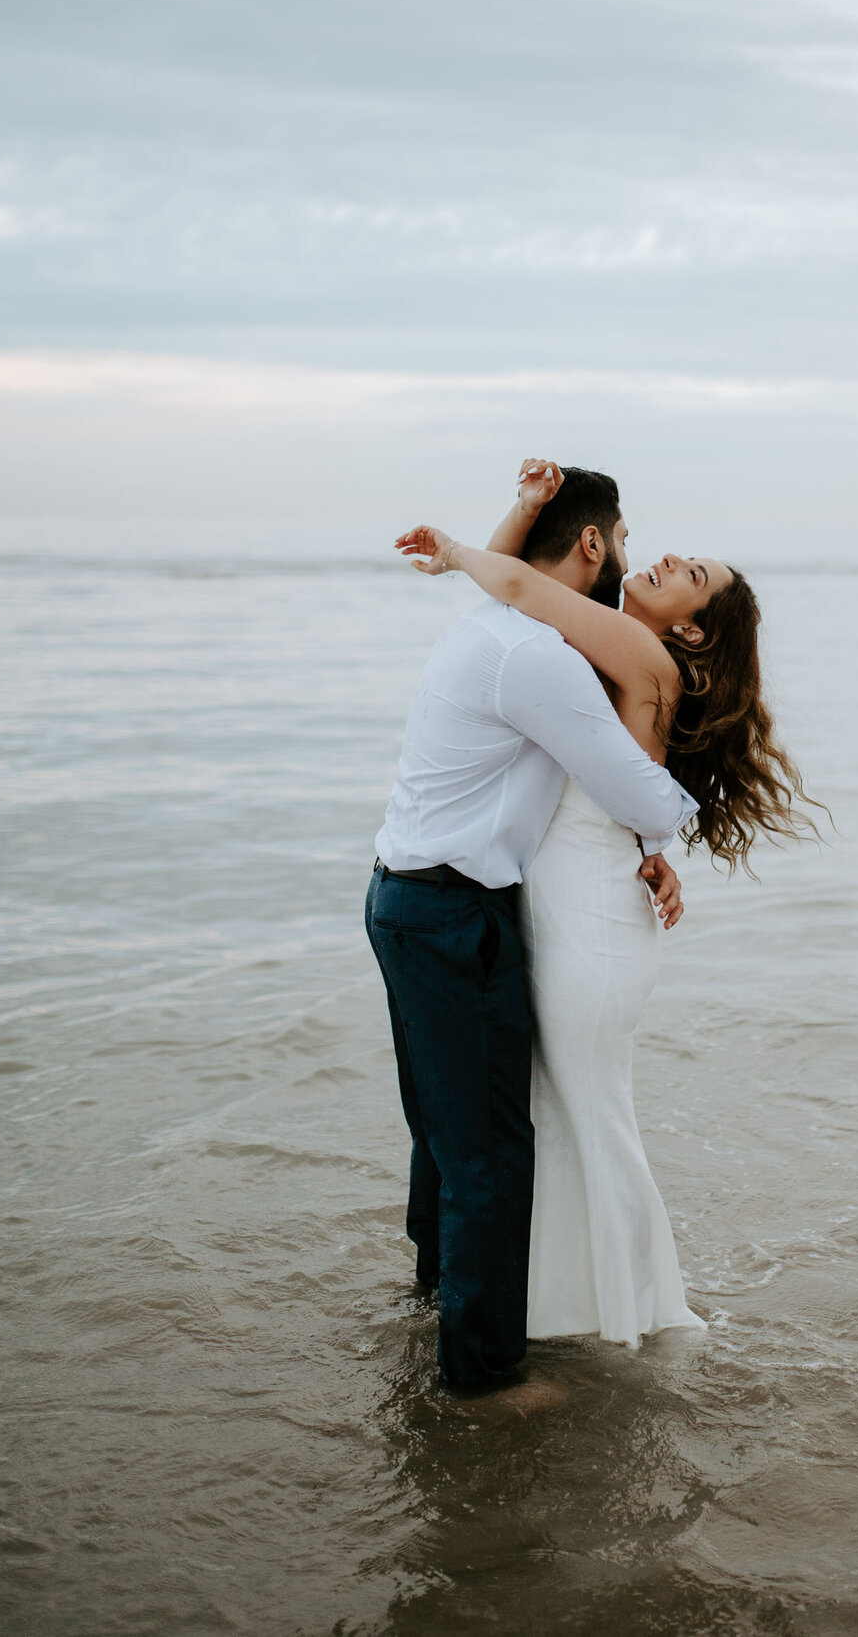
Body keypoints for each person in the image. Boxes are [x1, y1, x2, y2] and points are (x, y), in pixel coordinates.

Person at [398, 461, 817, 1351]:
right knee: (553, 1116)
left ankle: (632, 1308)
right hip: (565, 905)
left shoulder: (636, 652)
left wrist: (453, 550)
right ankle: (560, 1307)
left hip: (588, 922)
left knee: (588, 1113)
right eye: (667, 553)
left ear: (694, 631)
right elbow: (521, 600)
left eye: (691, 575)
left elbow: (514, 585)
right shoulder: (600, 647)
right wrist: (658, 848)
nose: (664, 558)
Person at [365, 466, 697, 1392]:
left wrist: (504, 521)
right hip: (449, 913)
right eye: (624, 534)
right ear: (593, 543)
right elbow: (636, 791)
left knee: (443, 1133)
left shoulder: (498, 626)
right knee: (490, 1155)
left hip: (408, 896)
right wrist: (680, 826)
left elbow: (508, 575)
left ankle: (435, 1298)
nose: (635, 551)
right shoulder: (543, 659)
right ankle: (481, 1380)